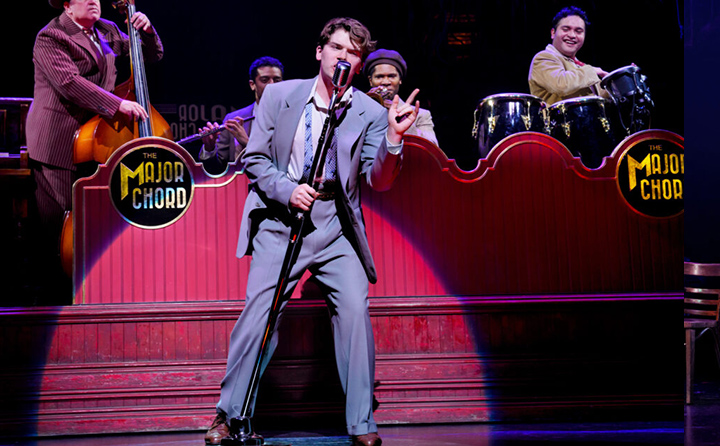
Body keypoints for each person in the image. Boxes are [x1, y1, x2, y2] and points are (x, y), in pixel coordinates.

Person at [204, 17, 420, 446]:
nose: (344, 57)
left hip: (335, 226)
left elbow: (379, 180)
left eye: (353, 53)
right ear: (320, 52)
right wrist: (287, 191)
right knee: (259, 314)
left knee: (355, 311)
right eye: (337, 48)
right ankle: (227, 416)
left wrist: (394, 140)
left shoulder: (371, 112)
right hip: (281, 221)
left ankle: (362, 424)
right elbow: (256, 160)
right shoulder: (280, 96)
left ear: (359, 64)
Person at [25, 0, 162, 302]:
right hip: (58, 140)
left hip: (95, 139)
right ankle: (54, 303)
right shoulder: (51, 36)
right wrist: (117, 104)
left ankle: (96, 292)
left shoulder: (107, 30)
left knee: (95, 220)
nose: (94, 1)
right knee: (60, 227)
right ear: (67, 4)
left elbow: (149, 56)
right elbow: (68, 83)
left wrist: (147, 32)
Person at [199, 56, 284, 172]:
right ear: (252, 85)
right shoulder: (233, 118)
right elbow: (217, 169)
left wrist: (247, 143)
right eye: (265, 80)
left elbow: (287, 165)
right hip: (238, 188)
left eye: (277, 80)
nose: (272, 85)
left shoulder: (291, 118)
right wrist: (210, 148)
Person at [528, 6, 609, 105]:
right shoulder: (543, 58)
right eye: (566, 29)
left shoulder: (581, 67)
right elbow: (561, 85)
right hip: (559, 120)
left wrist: (621, 81)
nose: (572, 35)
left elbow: (601, 99)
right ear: (553, 33)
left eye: (578, 31)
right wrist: (593, 70)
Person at [364, 48, 439, 146]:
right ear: (370, 81)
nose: (386, 82)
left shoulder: (421, 115)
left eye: (391, 76)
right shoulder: (359, 110)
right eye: (379, 77)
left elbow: (431, 149)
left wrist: (405, 121)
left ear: (400, 79)